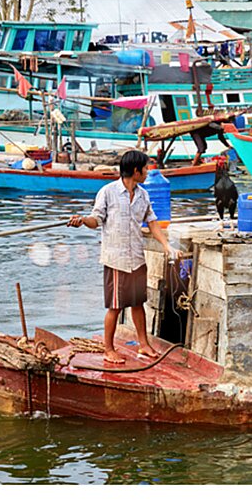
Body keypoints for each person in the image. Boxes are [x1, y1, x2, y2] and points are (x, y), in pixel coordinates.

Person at [68, 150, 180, 364]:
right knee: (116, 306)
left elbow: (152, 222)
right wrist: (82, 220)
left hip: (136, 257)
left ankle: (144, 345)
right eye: (145, 168)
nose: (147, 172)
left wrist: (166, 246)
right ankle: (108, 350)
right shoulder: (108, 192)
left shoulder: (143, 195)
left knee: (138, 303)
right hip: (116, 259)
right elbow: (95, 219)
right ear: (136, 170)